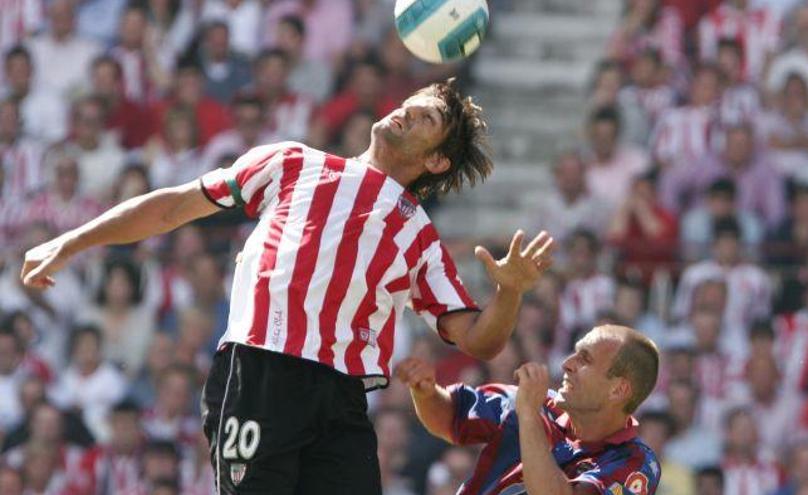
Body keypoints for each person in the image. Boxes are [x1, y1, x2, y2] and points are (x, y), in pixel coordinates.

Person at [20, 80, 555, 494]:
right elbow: (173, 207)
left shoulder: (418, 233)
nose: (406, 112)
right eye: (410, 104)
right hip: (260, 371)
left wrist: (510, 292)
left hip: (341, 398)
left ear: (436, 159)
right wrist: (71, 241)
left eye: (426, 117)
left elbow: (479, 341)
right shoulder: (292, 162)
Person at [397, 325, 661, 495]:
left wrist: (528, 417)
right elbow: (451, 418)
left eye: (585, 360)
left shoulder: (636, 464)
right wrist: (427, 392)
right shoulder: (533, 402)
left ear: (618, 390)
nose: (567, 364)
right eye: (574, 353)